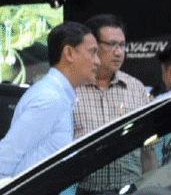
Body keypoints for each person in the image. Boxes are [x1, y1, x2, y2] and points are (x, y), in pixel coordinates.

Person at [0, 22, 99, 177]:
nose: (98, 61)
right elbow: (5, 160)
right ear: (69, 53)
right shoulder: (51, 99)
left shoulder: (56, 95)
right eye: (92, 52)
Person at [72, 14, 155, 195]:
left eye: (122, 45)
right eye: (111, 45)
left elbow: (148, 150)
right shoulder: (74, 89)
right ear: (93, 46)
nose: (119, 52)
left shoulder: (136, 88)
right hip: (86, 191)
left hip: (130, 190)